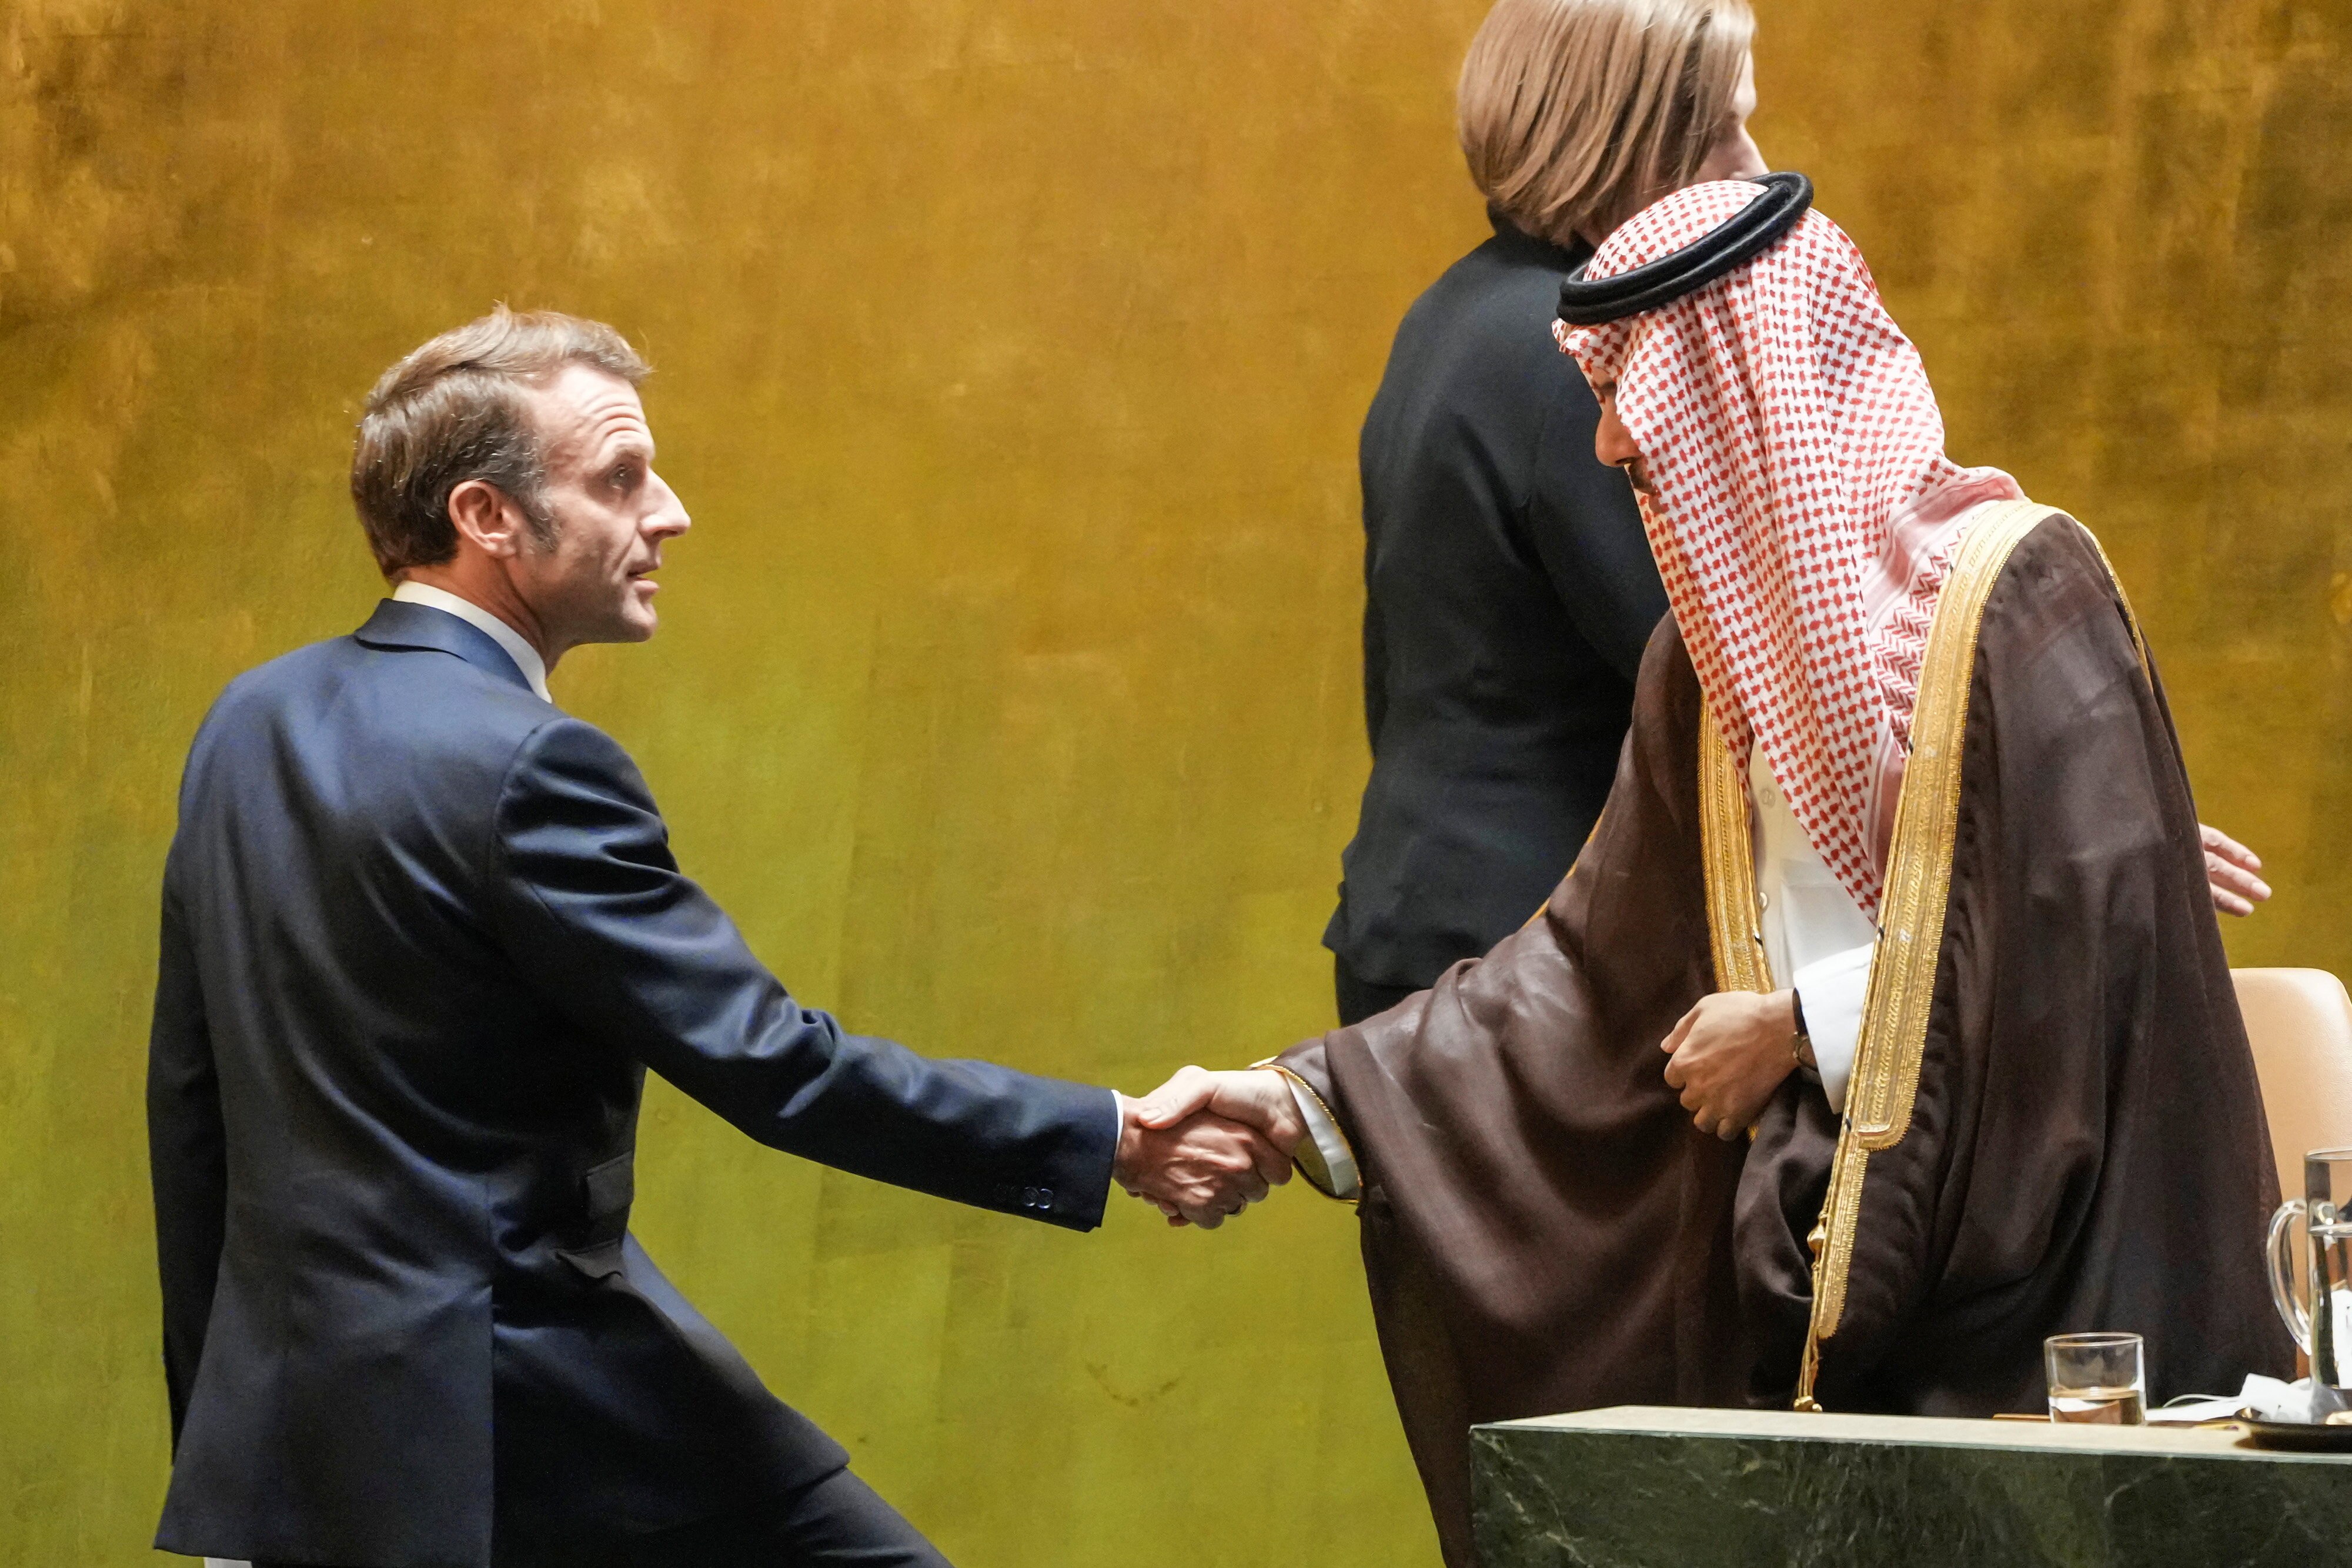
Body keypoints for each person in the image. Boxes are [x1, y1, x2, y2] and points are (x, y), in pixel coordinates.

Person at [1164, 176, 2294, 1565]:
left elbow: (2087, 950)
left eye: (1649, 460)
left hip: (2046, 1293)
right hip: (1805, 1269)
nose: (1614, 465)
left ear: (1756, 424)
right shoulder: (1702, 675)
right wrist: (1308, 1095)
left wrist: (1802, 1024)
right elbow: (1586, 966)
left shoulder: (2020, 588)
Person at [146, 309, 1299, 1568]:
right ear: (488, 517)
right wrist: (1109, 1138)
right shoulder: (532, 764)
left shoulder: (247, 722)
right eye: (620, 476)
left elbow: (193, 1111)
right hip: (538, 1414)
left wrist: (228, 1468)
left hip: (301, 1439)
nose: (672, 510)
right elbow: (776, 1066)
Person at [1319, 0, 2267, 1028]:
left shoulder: (1455, 315)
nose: (1751, 163)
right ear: (1625, 139)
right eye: (1722, 128)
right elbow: (1760, 688)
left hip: (1428, 921)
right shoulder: (1587, 359)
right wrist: (2072, 831)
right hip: (1542, 970)